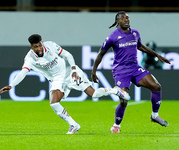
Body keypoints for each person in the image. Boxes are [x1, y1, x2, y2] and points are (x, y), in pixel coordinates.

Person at [0, 34, 130, 134]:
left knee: (94, 94)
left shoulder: (50, 45)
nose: (39, 48)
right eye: (36, 47)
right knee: (54, 103)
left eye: (40, 45)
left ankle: (115, 90)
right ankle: (74, 125)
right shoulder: (30, 58)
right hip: (57, 78)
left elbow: (67, 55)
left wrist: (74, 69)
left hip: (69, 71)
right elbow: (23, 72)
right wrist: (12, 85)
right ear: (31, 47)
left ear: (42, 43)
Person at [91, 11, 171, 133]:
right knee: (124, 100)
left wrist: (157, 55)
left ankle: (154, 116)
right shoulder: (112, 37)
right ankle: (116, 126)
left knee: (156, 86)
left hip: (134, 68)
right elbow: (101, 53)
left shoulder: (135, 33)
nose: (126, 20)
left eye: (127, 18)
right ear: (118, 21)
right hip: (121, 71)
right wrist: (94, 71)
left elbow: (140, 46)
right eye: (123, 18)